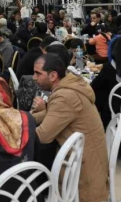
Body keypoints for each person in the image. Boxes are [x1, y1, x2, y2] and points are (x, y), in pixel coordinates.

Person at [31, 54, 109, 202]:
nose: (34, 78)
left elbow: (42, 136)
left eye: (38, 73)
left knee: (31, 162)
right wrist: (24, 119)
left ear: (53, 76)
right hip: (89, 160)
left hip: (82, 172)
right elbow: (52, 113)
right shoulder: (71, 86)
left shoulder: (65, 96)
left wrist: (16, 132)